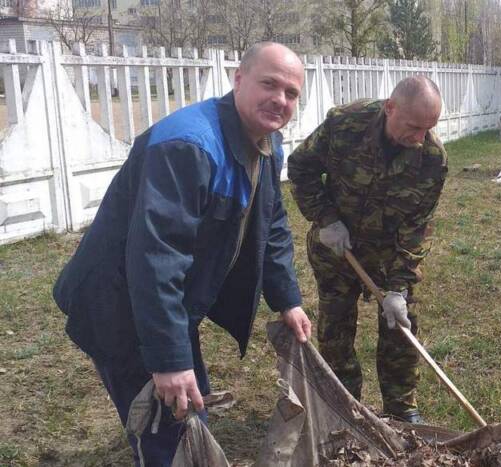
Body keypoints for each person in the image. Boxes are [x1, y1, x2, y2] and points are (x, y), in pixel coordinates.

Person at [52, 42, 312, 466]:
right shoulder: (187, 146)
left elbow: (272, 223)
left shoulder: (267, 144)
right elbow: (156, 257)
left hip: (168, 303)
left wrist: (288, 300)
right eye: (269, 84)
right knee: (169, 432)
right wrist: (170, 360)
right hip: (119, 304)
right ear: (239, 80)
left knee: (190, 410)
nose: (280, 99)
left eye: (291, 93)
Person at [286, 75, 447, 424]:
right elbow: (300, 167)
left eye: (429, 128)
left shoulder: (432, 158)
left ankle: (401, 408)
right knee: (336, 328)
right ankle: (342, 407)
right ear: (390, 108)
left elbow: (417, 229)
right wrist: (325, 217)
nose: (420, 138)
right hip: (337, 248)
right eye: (414, 127)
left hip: (389, 255)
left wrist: (399, 287)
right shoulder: (345, 124)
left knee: (400, 326)